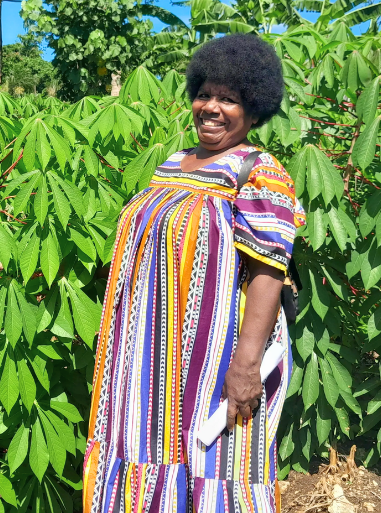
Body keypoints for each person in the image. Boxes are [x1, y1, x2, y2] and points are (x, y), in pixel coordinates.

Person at [83, 34, 305, 511]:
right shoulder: (171, 164)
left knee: (216, 463)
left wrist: (246, 366)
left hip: (217, 356)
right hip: (148, 354)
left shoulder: (259, 171)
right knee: (145, 447)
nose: (212, 108)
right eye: (205, 94)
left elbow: (269, 271)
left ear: (254, 109)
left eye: (229, 99)